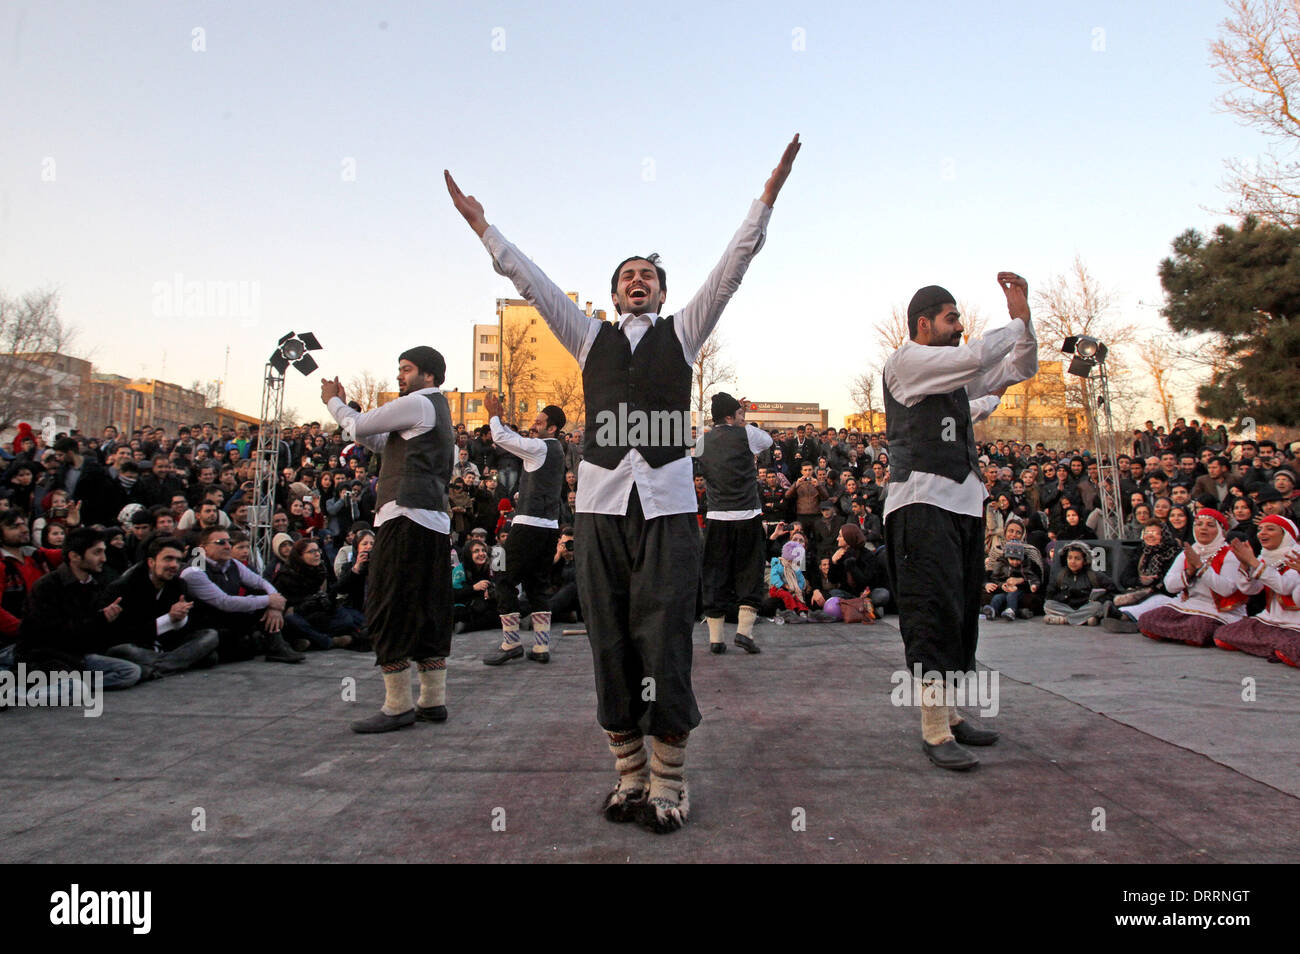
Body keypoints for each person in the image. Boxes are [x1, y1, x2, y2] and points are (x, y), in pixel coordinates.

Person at [446, 134, 800, 832]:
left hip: (667, 511)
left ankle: (671, 782)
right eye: (627, 275)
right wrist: (485, 228)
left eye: (648, 275)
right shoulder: (587, 337)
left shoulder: (684, 335)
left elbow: (732, 269)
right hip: (602, 512)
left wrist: (767, 197)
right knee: (609, 638)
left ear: (664, 291)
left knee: (665, 638)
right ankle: (629, 777)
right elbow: (532, 282)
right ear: (612, 292)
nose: (638, 281)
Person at [881, 274, 1037, 770]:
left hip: (964, 506)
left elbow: (1020, 368)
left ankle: (948, 716)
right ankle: (933, 730)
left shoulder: (952, 384)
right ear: (923, 324)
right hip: (921, 504)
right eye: (951, 318)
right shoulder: (906, 362)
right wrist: (1012, 320)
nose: (960, 326)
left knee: (959, 614)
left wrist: (1026, 320)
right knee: (930, 612)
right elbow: (974, 357)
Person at [322, 346, 455, 733]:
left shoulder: (418, 402)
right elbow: (382, 442)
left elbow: (360, 426)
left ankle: (397, 705)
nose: (399, 376)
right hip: (431, 521)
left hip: (404, 516)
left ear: (427, 375)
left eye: (406, 369)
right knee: (429, 607)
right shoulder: (436, 410)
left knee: (389, 603)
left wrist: (334, 400)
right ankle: (432, 700)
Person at [480, 390, 566, 666]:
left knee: (502, 575)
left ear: (551, 428)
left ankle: (511, 642)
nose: (533, 426)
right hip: (549, 527)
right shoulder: (556, 451)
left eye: (539, 422)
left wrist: (494, 416)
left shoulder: (541, 446)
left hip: (528, 525)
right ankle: (541, 647)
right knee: (537, 584)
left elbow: (504, 439)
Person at [14, 528, 143, 693]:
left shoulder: (94, 584)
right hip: (46, 658)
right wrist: (99, 619)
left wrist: (106, 620)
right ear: (74, 556)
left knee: (131, 672)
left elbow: (92, 634)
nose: (103, 558)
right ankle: (22, 693)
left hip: (78, 656)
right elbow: (51, 634)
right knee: (73, 686)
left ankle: (74, 686)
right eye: (97, 553)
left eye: (104, 552)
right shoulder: (47, 586)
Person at [696, 392, 773, 654]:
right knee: (749, 572)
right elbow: (768, 440)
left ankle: (716, 638)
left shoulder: (702, 441)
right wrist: (743, 425)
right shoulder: (747, 434)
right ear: (730, 416)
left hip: (717, 516)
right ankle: (744, 632)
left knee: (715, 574)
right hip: (747, 515)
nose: (743, 418)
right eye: (739, 414)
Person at [181, 526, 304, 664]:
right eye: (221, 542)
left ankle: (278, 648)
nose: (228, 546)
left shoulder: (232, 564)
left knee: (263, 597)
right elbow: (224, 602)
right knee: (218, 653)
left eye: (229, 542)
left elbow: (261, 583)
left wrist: (274, 606)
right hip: (207, 625)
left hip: (229, 620)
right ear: (203, 548)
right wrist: (269, 600)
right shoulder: (194, 571)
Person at [102, 535, 221, 677]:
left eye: (178, 560)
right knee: (125, 651)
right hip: (136, 645)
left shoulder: (178, 584)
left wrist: (180, 618)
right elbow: (124, 634)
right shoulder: (125, 587)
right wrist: (168, 619)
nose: (174, 565)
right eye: (168, 559)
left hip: (165, 647)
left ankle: (157, 668)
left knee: (210, 636)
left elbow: (184, 629)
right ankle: (173, 664)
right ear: (151, 562)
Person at [1138, 509, 1247, 646]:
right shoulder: (1189, 552)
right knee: (1147, 619)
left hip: (1218, 610)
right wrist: (1188, 572)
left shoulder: (1230, 555)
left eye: (1210, 525)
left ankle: (1181, 634)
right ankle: (1184, 634)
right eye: (1199, 524)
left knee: (1198, 627)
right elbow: (1170, 586)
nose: (1203, 529)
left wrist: (1200, 567)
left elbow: (1226, 589)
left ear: (1221, 531)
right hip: (1190, 605)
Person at [1214, 516, 1300, 664]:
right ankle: (1275, 649)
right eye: (1260, 529)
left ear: (1285, 534)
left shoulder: (1296, 556)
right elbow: (1250, 589)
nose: (1262, 533)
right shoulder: (1266, 556)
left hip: (1295, 625)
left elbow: (1284, 587)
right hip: (1269, 620)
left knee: (1289, 648)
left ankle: (1277, 649)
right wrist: (1245, 565)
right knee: (1222, 636)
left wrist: (1253, 561)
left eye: (1270, 529)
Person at [1042, 543, 1116, 625]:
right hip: (1066, 607)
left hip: (1087, 607)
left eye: (1077, 559)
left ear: (1084, 561)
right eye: (1070, 558)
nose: (1073, 561)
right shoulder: (1060, 575)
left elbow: (1112, 590)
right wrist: (1064, 597)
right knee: (1048, 605)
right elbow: (1050, 595)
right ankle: (1084, 620)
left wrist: (1098, 600)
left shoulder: (1094, 575)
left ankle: (1065, 620)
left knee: (1098, 606)